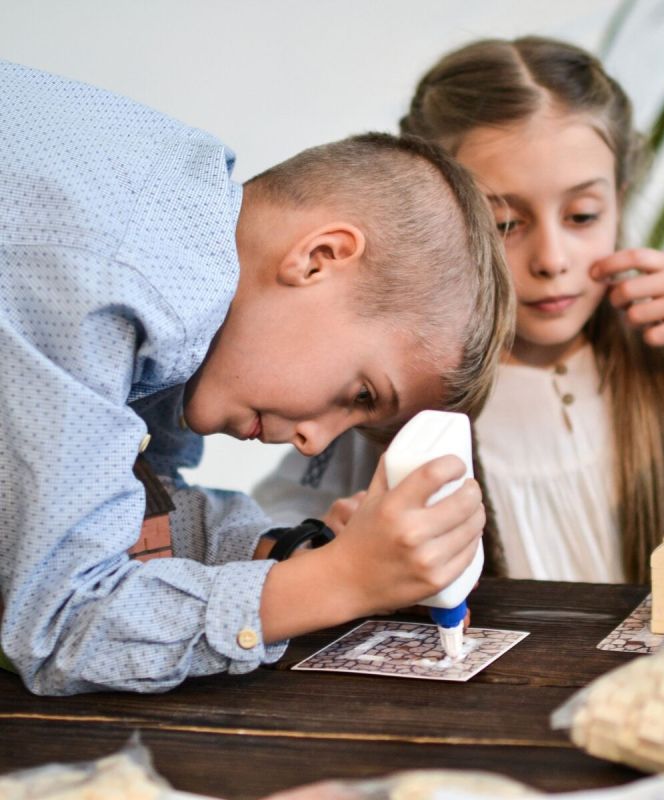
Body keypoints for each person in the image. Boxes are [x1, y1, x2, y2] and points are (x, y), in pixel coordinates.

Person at [0, 60, 514, 695]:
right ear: (320, 259)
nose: (315, 445)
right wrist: (338, 584)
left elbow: (128, 520)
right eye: (360, 395)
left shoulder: (177, 222)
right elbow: (60, 624)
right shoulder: (109, 278)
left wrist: (290, 555)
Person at [253, 36, 664, 585]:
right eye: (505, 225)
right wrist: (325, 538)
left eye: (583, 216)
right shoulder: (401, 390)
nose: (552, 260)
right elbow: (274, 516)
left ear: (620, 198)